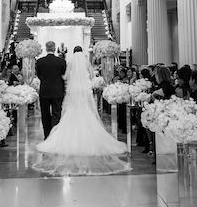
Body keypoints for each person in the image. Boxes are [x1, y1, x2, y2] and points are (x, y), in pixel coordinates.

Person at [33, 46, 130, 175]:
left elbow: (65, 76)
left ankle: (52, 135)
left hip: (72, 91)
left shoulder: (70, 62)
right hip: (84, 91)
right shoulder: (85, 62)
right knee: (84, 112)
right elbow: (90, 76)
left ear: (73, 52)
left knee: (69, 113)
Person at [36, 41, 67, 139]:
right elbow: (63, 75)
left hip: (44, 90)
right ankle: (54, 135)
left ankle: (46, 135)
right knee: (56, 113)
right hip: (57, 90)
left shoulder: (40, 61)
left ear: (46, 48)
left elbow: (39, 75)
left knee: (45, 113)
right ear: (54, 48)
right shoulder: (61, 61)